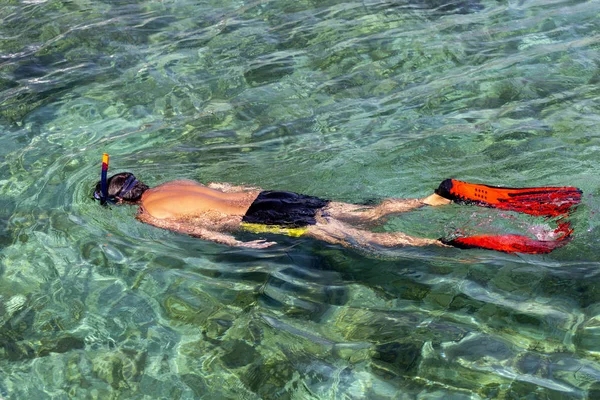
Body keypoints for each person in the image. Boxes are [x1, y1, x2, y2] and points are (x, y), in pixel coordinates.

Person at [93, 171, 582, 254]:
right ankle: (435, 198)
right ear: (139, 184)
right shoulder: (180, 181)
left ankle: (442, 242)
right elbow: (238, 187)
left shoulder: (147, 216)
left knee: (360, 239)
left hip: (263, 219)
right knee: (366, 213)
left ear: (122, 201)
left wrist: (241, 243)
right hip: (277, 198)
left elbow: (202, 235)